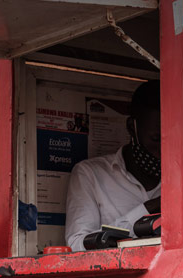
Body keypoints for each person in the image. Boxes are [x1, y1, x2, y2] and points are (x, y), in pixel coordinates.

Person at [65, 80, 161, 251]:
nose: (162, 150)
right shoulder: (90, 175)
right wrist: (146, 210)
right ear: (132, 128)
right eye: (156, 139)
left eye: (171, 139)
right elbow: (77, 246)